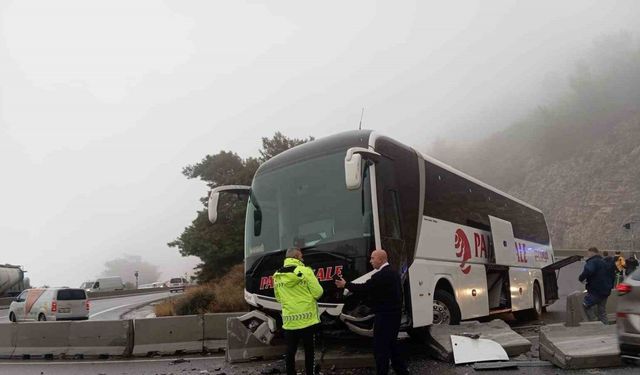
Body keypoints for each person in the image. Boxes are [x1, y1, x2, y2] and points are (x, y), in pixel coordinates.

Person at [335, 249, 409, 375]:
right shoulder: (394, 273)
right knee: (392, 345)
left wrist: (345, 284)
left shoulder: (381, 275)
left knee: (380, 349)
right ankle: (402, 371)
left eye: (372, 258)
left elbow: (364, 288)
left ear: (381, 259)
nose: (370, 261)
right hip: (394, 316)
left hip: (385, 317)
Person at [273, 247, 323, 375]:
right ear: (296, 257)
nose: (303, 259)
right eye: (301, 257)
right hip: (307, 319)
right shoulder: (305, 271)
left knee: (290, 350)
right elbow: (318, 292)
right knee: (309, 351)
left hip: (289, 321)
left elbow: (278, 298)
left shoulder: (277, 275)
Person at [578, 247, 612, 324]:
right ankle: (605, 327)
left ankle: (595, 322)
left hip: (596, 290)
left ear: (592, 252)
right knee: (602, 311)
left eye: (588, 253)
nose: (588, 255)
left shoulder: (592, 261)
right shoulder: (604, 262)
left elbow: (588, 270)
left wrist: (581, 278)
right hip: (606, 290)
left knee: (586, 304)